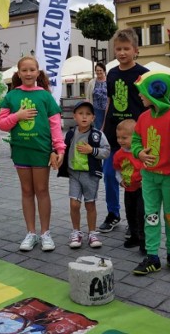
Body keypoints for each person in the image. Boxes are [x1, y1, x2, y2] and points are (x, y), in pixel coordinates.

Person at [0, 56, 65, 252]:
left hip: (41, 151)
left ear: (37, 72)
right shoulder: (11, 96)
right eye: (24, 70)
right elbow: (1, 124)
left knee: (42, 191)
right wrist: (17, 116)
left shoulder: (45, 96)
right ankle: (31, 233)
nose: (28, 73)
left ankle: (45, 233)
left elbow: (55, 125)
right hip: (21, 150)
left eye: (31, 70)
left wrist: (59, 148)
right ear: (18, 73)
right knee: (26, 192)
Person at [131, 71, 170, 276]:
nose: (140, 96)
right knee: (151, 215)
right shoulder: (143, 117)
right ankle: (152, 256)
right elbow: (136, 140)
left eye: (143, 92)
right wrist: (139, 152)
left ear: (156, 92)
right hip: (149, 177)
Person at [99, 28, 148, 233]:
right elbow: (109, 101)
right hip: (113, 134)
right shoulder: (112, 73)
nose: (122, 53)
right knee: (110, 174)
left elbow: (149, 105)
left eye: (126, 48)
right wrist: (102, 127)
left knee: (137, 178)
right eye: (118, 49)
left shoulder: (144, 74)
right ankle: (113, 213)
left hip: (136, 137)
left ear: (135, 50)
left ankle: (136, 218)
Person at [58, 101, 110, 249]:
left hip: (90, 175)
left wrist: (92, 151)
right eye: (81, 114)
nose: (84, 117)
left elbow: (106, 151)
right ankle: (76, 232)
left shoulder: (97, 135)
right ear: (75, 116)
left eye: (88, 114)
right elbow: (63, 148)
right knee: (74, 204)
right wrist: (57, 157)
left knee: (90, 204)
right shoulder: (70, 133)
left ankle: (92, 233)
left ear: (93, 117)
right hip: (74, 174)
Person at [112, 120, 145, 253]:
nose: (120, 141)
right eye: (118, 137)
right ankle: (135, 237)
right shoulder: (119, 154)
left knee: (141, 214)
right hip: (128, 189)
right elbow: (117, 169)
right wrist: (120, 180)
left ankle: (145, 242)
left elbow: (148, 166)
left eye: (124, 138)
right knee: (130, 213)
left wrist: (146, 181)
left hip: (141, 189)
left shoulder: (140, 152)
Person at [85, 62, 108, 129]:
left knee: (107, 127)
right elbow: (88, 96)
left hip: (107, 108)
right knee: (98, 127)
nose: (99, 72)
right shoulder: (92, 82)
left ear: (104, 71)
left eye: (100, 70)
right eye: (97, 71)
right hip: (96, 109)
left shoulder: (108, 81)